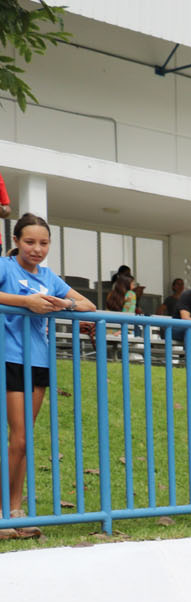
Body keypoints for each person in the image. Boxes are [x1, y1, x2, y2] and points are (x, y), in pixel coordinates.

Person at [0, 213, 94, 538]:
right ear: (16, 241)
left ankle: (15, 512)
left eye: (43, 243)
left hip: (39, 361)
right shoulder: (5, 267)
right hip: (10, 358)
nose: (37, 249)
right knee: (18, 437)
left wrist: (63, 303)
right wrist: (25, 302)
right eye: (29, 242)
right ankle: (3, 513)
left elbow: (87, 305)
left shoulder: (49, 276)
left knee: (24, 440)